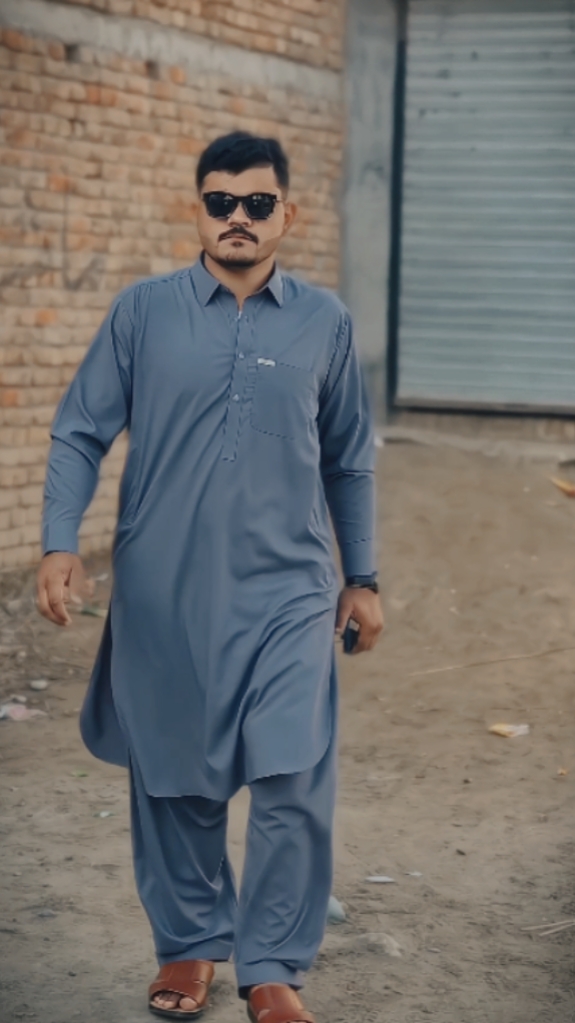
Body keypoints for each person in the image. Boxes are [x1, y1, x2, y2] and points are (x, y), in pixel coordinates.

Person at [37, 131, 384, 1023]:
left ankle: (272, 967)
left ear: (286, 215)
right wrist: (59, 542)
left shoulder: (325, 323)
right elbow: (79, 430)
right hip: (165, 590)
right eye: (220, 201)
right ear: (197, 210)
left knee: (292, 774)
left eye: (257, 203)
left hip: (290, 591)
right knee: (175, 776)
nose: (238, 217)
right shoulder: (142, 312)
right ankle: (190, 944)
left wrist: (363, 576)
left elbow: (348, 458)